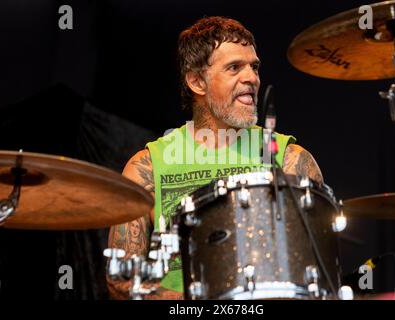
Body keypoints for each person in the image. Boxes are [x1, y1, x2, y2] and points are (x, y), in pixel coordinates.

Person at [107, 16, 323, 300]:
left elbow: (317, 276)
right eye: (234, 67)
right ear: (197, 81)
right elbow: (120, 281)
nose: (252, 78)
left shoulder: (290, 159)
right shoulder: (146, 167)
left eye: (254, 67)